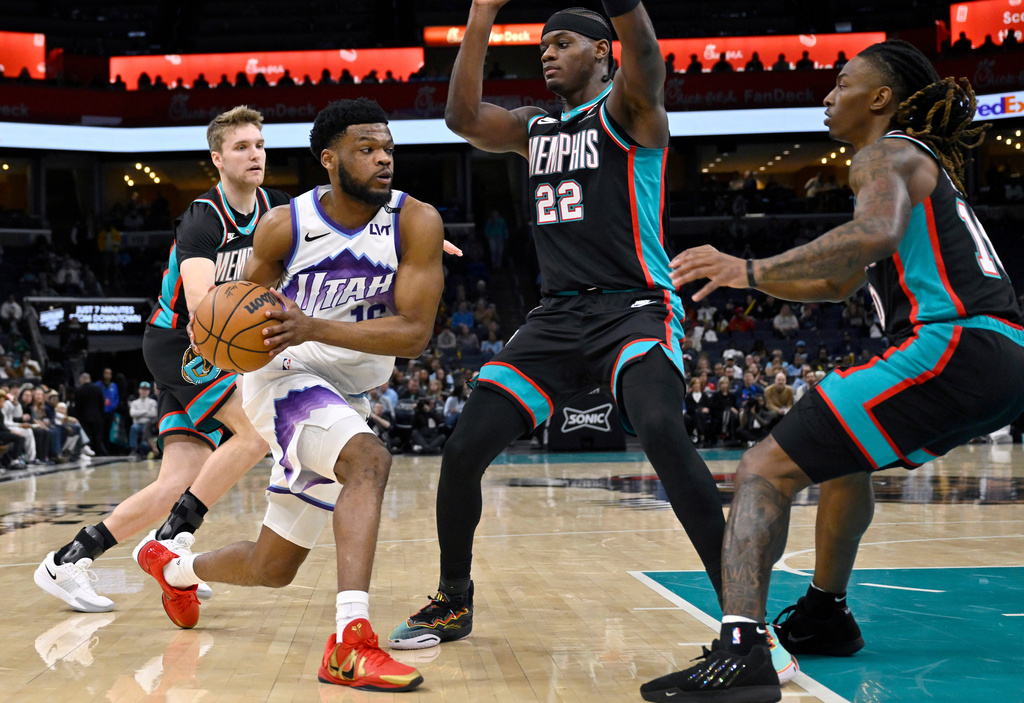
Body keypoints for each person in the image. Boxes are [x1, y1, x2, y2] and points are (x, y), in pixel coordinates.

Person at [640, 39, 1024, 701]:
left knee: (763, 467)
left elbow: (871, 233)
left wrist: (749, 267)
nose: (828, 95)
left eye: (843, 83)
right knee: (843, 459)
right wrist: (752, 281)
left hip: (953, 341)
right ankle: (826, 611)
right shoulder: (913, 164)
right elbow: (837, 280)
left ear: (880, 98)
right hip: (1000, 356)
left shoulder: (884, 152)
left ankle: (743, 648)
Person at [388, 2, 729, 672]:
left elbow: (650, 62)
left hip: (634, 306)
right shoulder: (533, 126)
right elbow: (461, 119)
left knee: (660, 427)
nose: (547, 54)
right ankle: (454, 597)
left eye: (564, 43)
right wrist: (481, 15)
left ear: (604, 51)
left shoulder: (632, 110)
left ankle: (743, 617)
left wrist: (625, 8)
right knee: (462, 451)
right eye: (542, 45)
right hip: (555, 317)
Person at [135, 97, 447, 692]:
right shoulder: (288, 225)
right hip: (283, 378)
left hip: (346, 390)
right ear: (329, 159)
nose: (383, 160)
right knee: (369, 461)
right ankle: (350, 644)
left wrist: (315, 323)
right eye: (366, 150)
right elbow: (236, 313)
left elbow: (413, 336)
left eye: (387, 149)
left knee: (273, 567)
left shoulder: (416, 223)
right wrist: (220, 333)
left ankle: (172, 564)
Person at [33, 106, 285, 614]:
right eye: (241, 147)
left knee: (175, 482)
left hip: (213, 347)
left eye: (258, 144)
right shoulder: (203, 215)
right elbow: (201, 301)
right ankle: (172, 541)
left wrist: (405, 238)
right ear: (217, 158)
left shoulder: (278, 210)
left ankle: (67, 561)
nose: (254, 153)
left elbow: (336, 233)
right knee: (257, 431)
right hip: (182, 344)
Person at [128, 381, 159, 459]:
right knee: (134, 428)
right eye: (142, 389)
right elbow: (132, 414)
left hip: (149, 425)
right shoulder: (134, 403)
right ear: (139, 390)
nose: (144, 391)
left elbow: (153, 414)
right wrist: (146, 411)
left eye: (146, 389)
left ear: (149, 391)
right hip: (138, 424)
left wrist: (139, 414)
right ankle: (133, 450)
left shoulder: (153, 402)